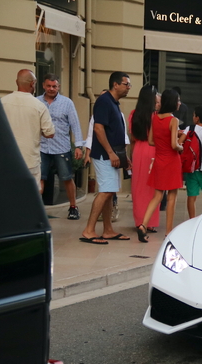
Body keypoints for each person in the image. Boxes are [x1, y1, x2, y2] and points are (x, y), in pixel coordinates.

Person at [80, 72, 131, 244]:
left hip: (114, 155)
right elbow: (98, 129)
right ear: (115, 85)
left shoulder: (114, 103)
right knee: (105, 191)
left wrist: (123, 157)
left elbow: (116, 132)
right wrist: (110, 153)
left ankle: (108, 230)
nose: (128, 87)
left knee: (110, 192)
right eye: (126, 84)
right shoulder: (104, 101)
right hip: (104, 155)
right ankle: (89, 230)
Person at [137, 89, 183, 242]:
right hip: (171, 161)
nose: (179, 103)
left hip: (159, 160)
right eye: (178, 100)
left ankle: (143, 224)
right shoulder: (173, 120)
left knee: (157, 196)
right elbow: (174, 145)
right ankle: (168, 232)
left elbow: (150, 141)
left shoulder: (154, 118)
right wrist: (180, 146)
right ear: (172, 102)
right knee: (172, 198)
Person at [35, 73, 84, 219]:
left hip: (61, 146)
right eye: (48, 86)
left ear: (59, 86)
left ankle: (73, 207)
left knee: (67, 177)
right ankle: (37, 209)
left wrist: (78, 146)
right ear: (43, 85)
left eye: (54, 86)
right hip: (42, 147)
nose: (51, 89)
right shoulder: (36, 101)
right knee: (40, 178)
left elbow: (75, 124)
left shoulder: (67, 102)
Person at [1, 69, 55, 192]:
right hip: (30, 160)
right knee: (32, 195)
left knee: (8, 193)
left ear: (16, 82)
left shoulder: (2, 102)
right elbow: (50, 133)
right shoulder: (39, 106)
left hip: (7, 160)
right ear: (32, 84)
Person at [129, 85, 160, 233]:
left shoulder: (133, 114)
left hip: (138, 151)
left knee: (137, 187)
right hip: (153, 150)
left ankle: (139, 220)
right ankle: (150, 222)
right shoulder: (155, 116)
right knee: (152, 188)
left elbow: (132, 138)